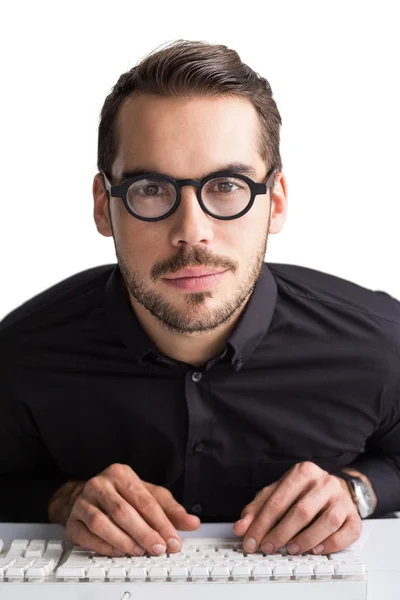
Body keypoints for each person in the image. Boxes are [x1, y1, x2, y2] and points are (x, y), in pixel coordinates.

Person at [1, 39, 399, 561]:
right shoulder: (21, 355)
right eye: (150, 189)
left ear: (274, 203)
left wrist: (358, 490)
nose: (192, 233)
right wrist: (61, 499)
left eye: (227, 185)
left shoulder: (381, 344)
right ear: (104, 207)